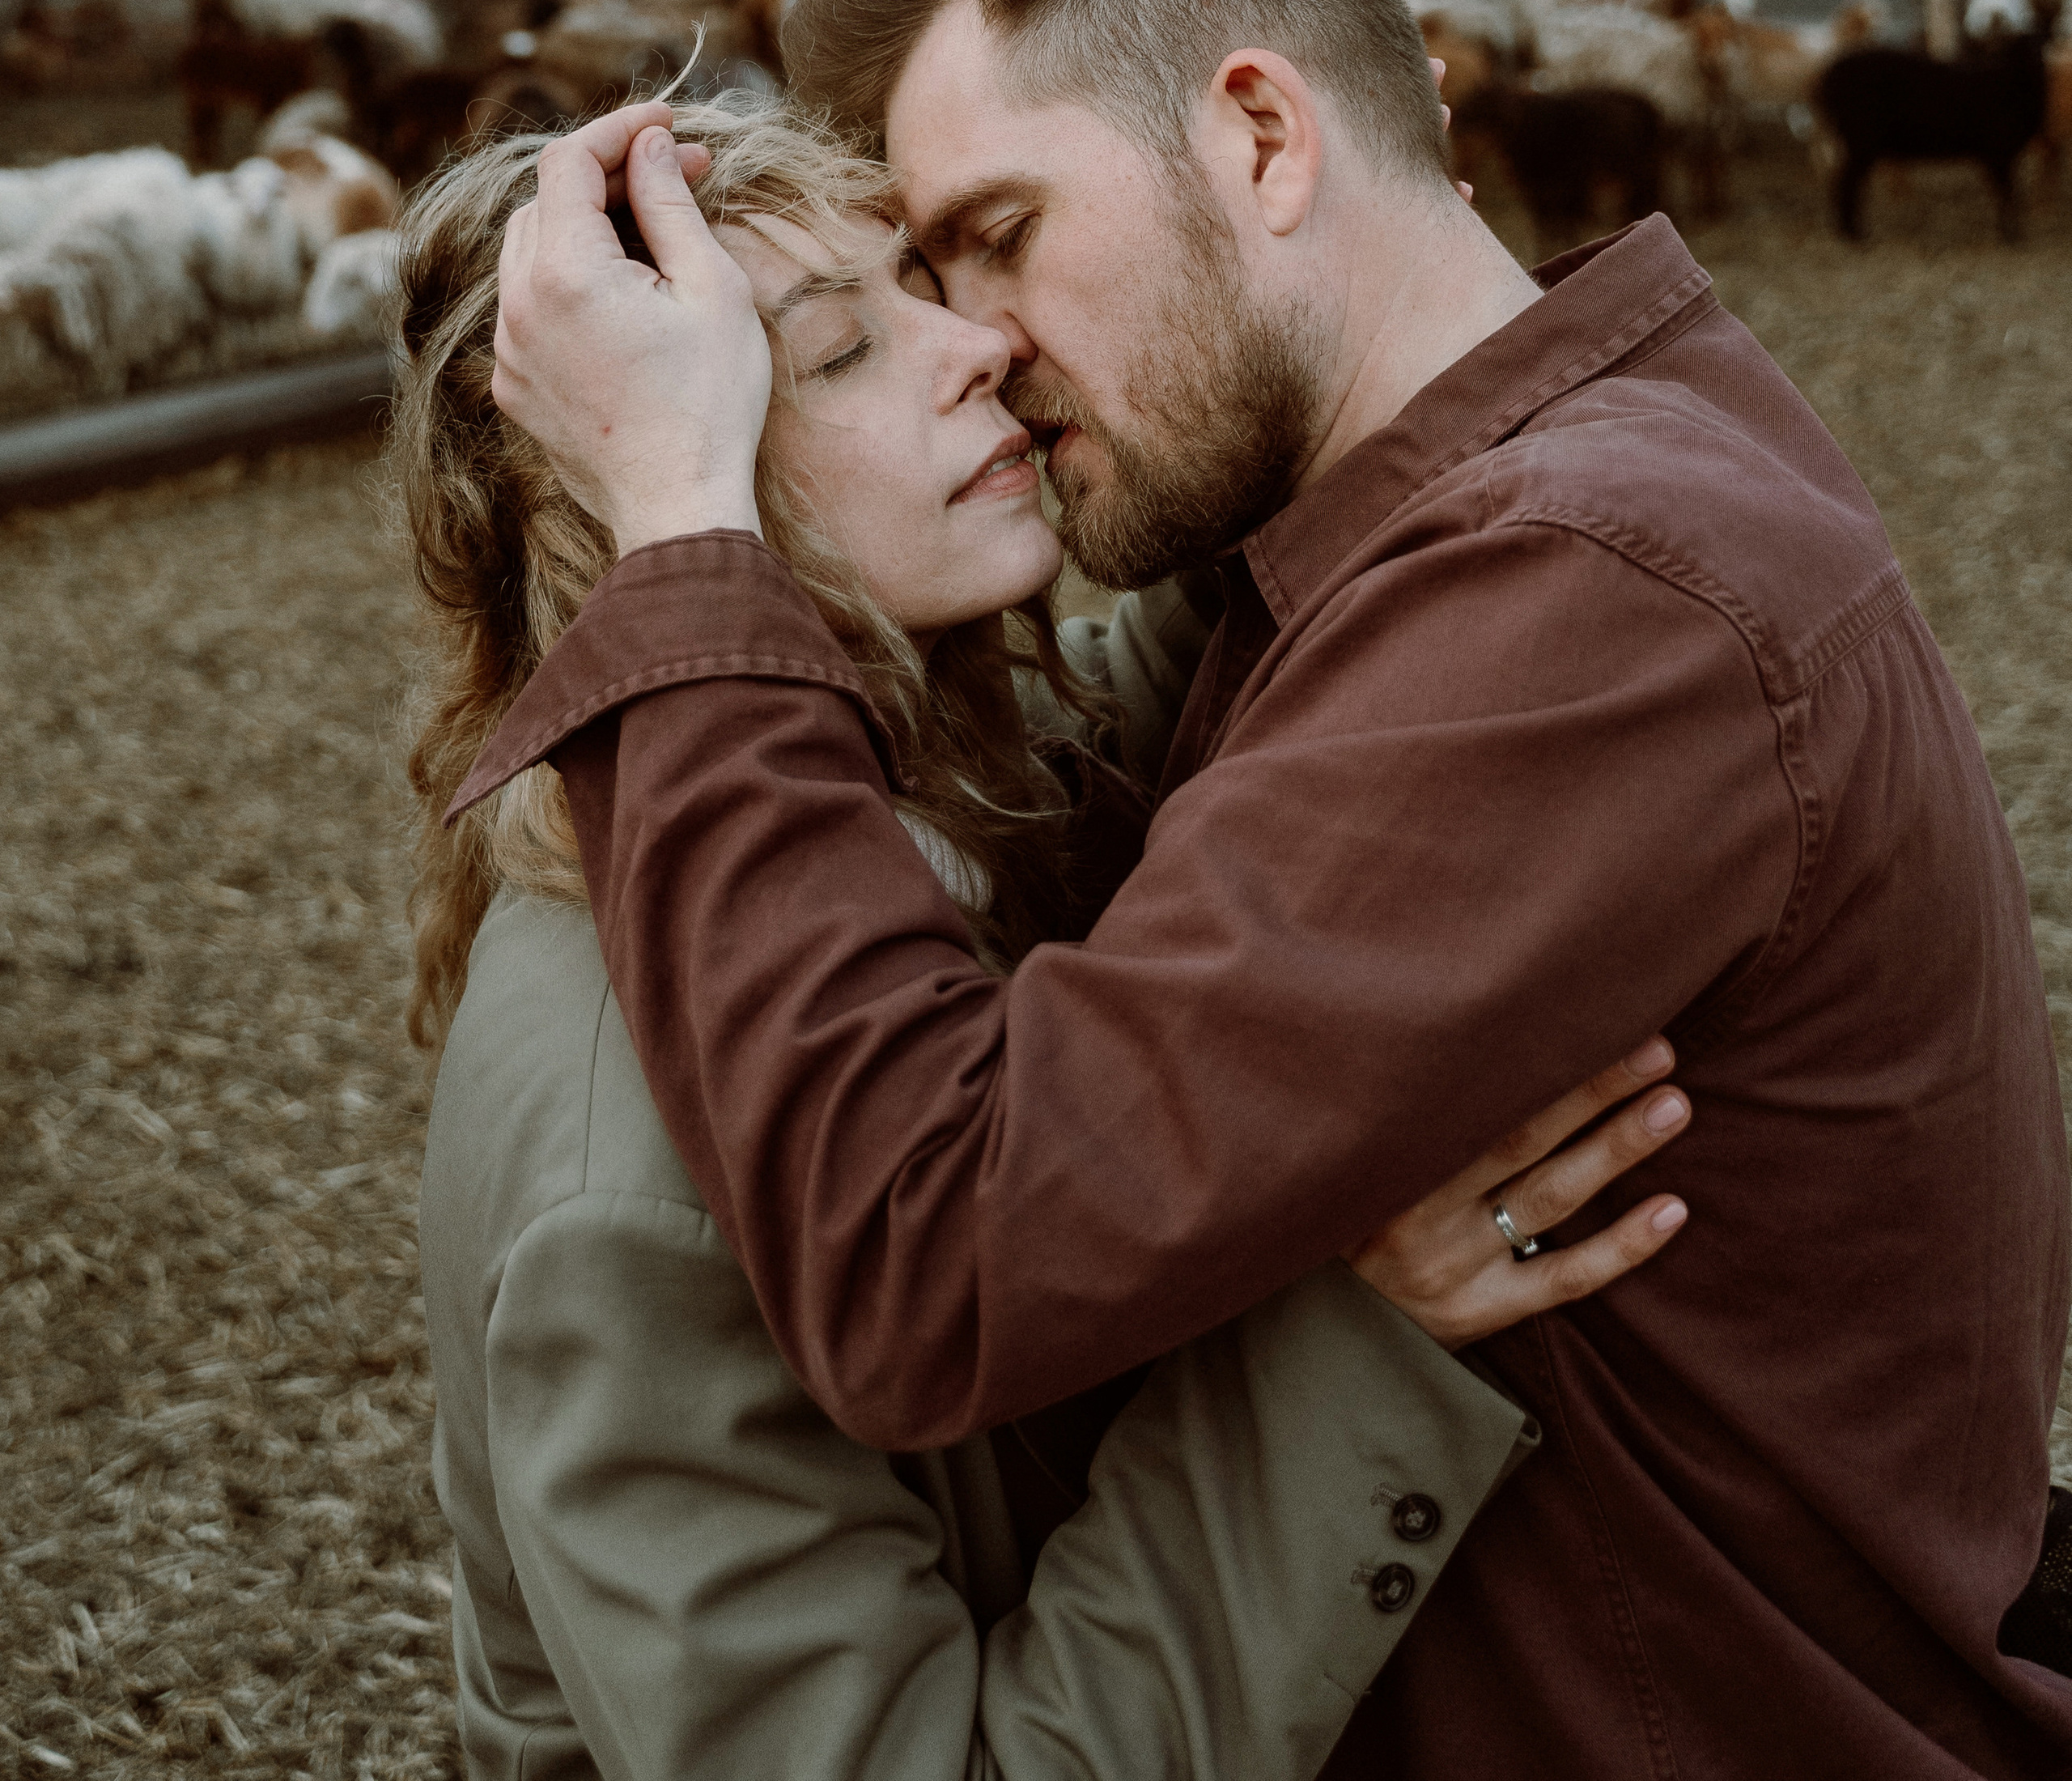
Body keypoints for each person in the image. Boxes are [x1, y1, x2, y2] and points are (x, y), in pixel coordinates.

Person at [468, 0, 2072, 1778]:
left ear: (1255, 132)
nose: (987, 343)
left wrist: (685, 521)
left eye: (1000, 234)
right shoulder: (1473, 506)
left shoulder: (1575, 599)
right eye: (912, 297)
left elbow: (918, 1252)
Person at [398, 100, 1692, 1781]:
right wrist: (1350, 1341)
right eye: (845, 348)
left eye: (933, 282)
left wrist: (1347, 273)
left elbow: (1225, 626)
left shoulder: (960, 772)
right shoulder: (629, 1174)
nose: (976, 347)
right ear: (649, 506)